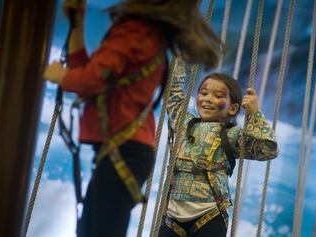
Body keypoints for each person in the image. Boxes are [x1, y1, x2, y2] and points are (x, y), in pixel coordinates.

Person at [43, 0, 223, 236]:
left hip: (125, 150)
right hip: (125, 149)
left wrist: (62, 77)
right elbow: (90, 73)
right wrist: (77, 26)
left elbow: (90, 80)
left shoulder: (136, 32)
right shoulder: (144, 33)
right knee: (91, 230)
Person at [158, 60, 279, 237]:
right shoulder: (185, 123)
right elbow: (173, 96)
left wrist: (255, 113)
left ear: (233, 108)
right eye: (203, 93)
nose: (207, 99)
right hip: (172, 217)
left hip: (209, 216)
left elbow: (268, 149)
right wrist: (183, 58)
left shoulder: (232, 134)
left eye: (218, 96)